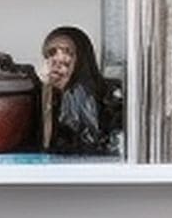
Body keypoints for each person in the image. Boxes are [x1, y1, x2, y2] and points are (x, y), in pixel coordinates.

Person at [39, 25, 118, 157]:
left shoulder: (108, 97)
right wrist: (46, 91)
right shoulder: (41, 94)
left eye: (67, 53)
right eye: (52, 53)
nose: (58, 60)